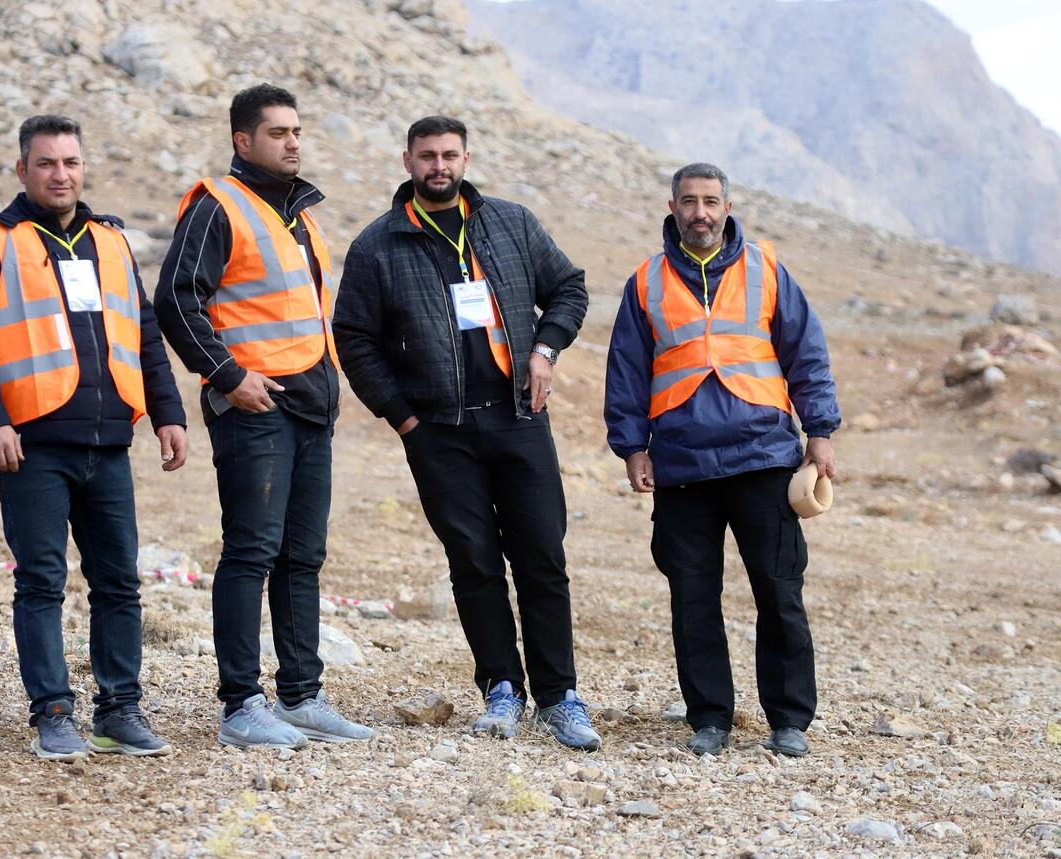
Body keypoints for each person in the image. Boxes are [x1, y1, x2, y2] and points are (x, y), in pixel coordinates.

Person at [334, 115, 600, 750]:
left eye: (449, 155)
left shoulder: (510, 223)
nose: (439, 166)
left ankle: (559, 697)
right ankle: (501, 689)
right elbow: (353, 338)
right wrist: (403, 418)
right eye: (427, 156)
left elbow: (569, 288)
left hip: (519, 417)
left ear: (465, 160)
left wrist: (545, 350)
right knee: (474, 562)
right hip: (439, 432)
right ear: (407, 162)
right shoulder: (378, 245)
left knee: (542, 557)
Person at [0, 114, 188, 761]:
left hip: (108, 443)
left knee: (120, 584)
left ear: (83, 167)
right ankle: (53, 713)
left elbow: (144, 333)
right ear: (22, 170)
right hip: (32, 445)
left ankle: (119, 712)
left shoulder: (111, 242)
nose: (61, 174)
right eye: (47, 163)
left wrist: (168, 412)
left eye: (71, 162)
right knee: (41, 584)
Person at [154, 84, 372, 749]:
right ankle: (241, 705)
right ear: (243, 141)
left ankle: (301, 696)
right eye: (278, 132)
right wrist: (227, 375)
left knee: (303, 556)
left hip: (311, 404)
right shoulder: (218, 205)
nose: (293, 142)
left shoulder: (299, 215)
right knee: (251, 551)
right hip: (255, 407)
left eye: (297, 131)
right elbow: (175, 299)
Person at [604, 162, 841, 757]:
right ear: (673, 207)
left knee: (779, 592)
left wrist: (820, 430)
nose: (700, 213)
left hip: (763, 457)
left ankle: (789, 720)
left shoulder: (766, 270)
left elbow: (806, 353)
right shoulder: (646, 281)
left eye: (710, 201)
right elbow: (626, 370)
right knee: (692, 598)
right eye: (689, 201)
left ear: (728, 208)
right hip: (681, 464)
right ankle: (709, 719)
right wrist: (631, 446)